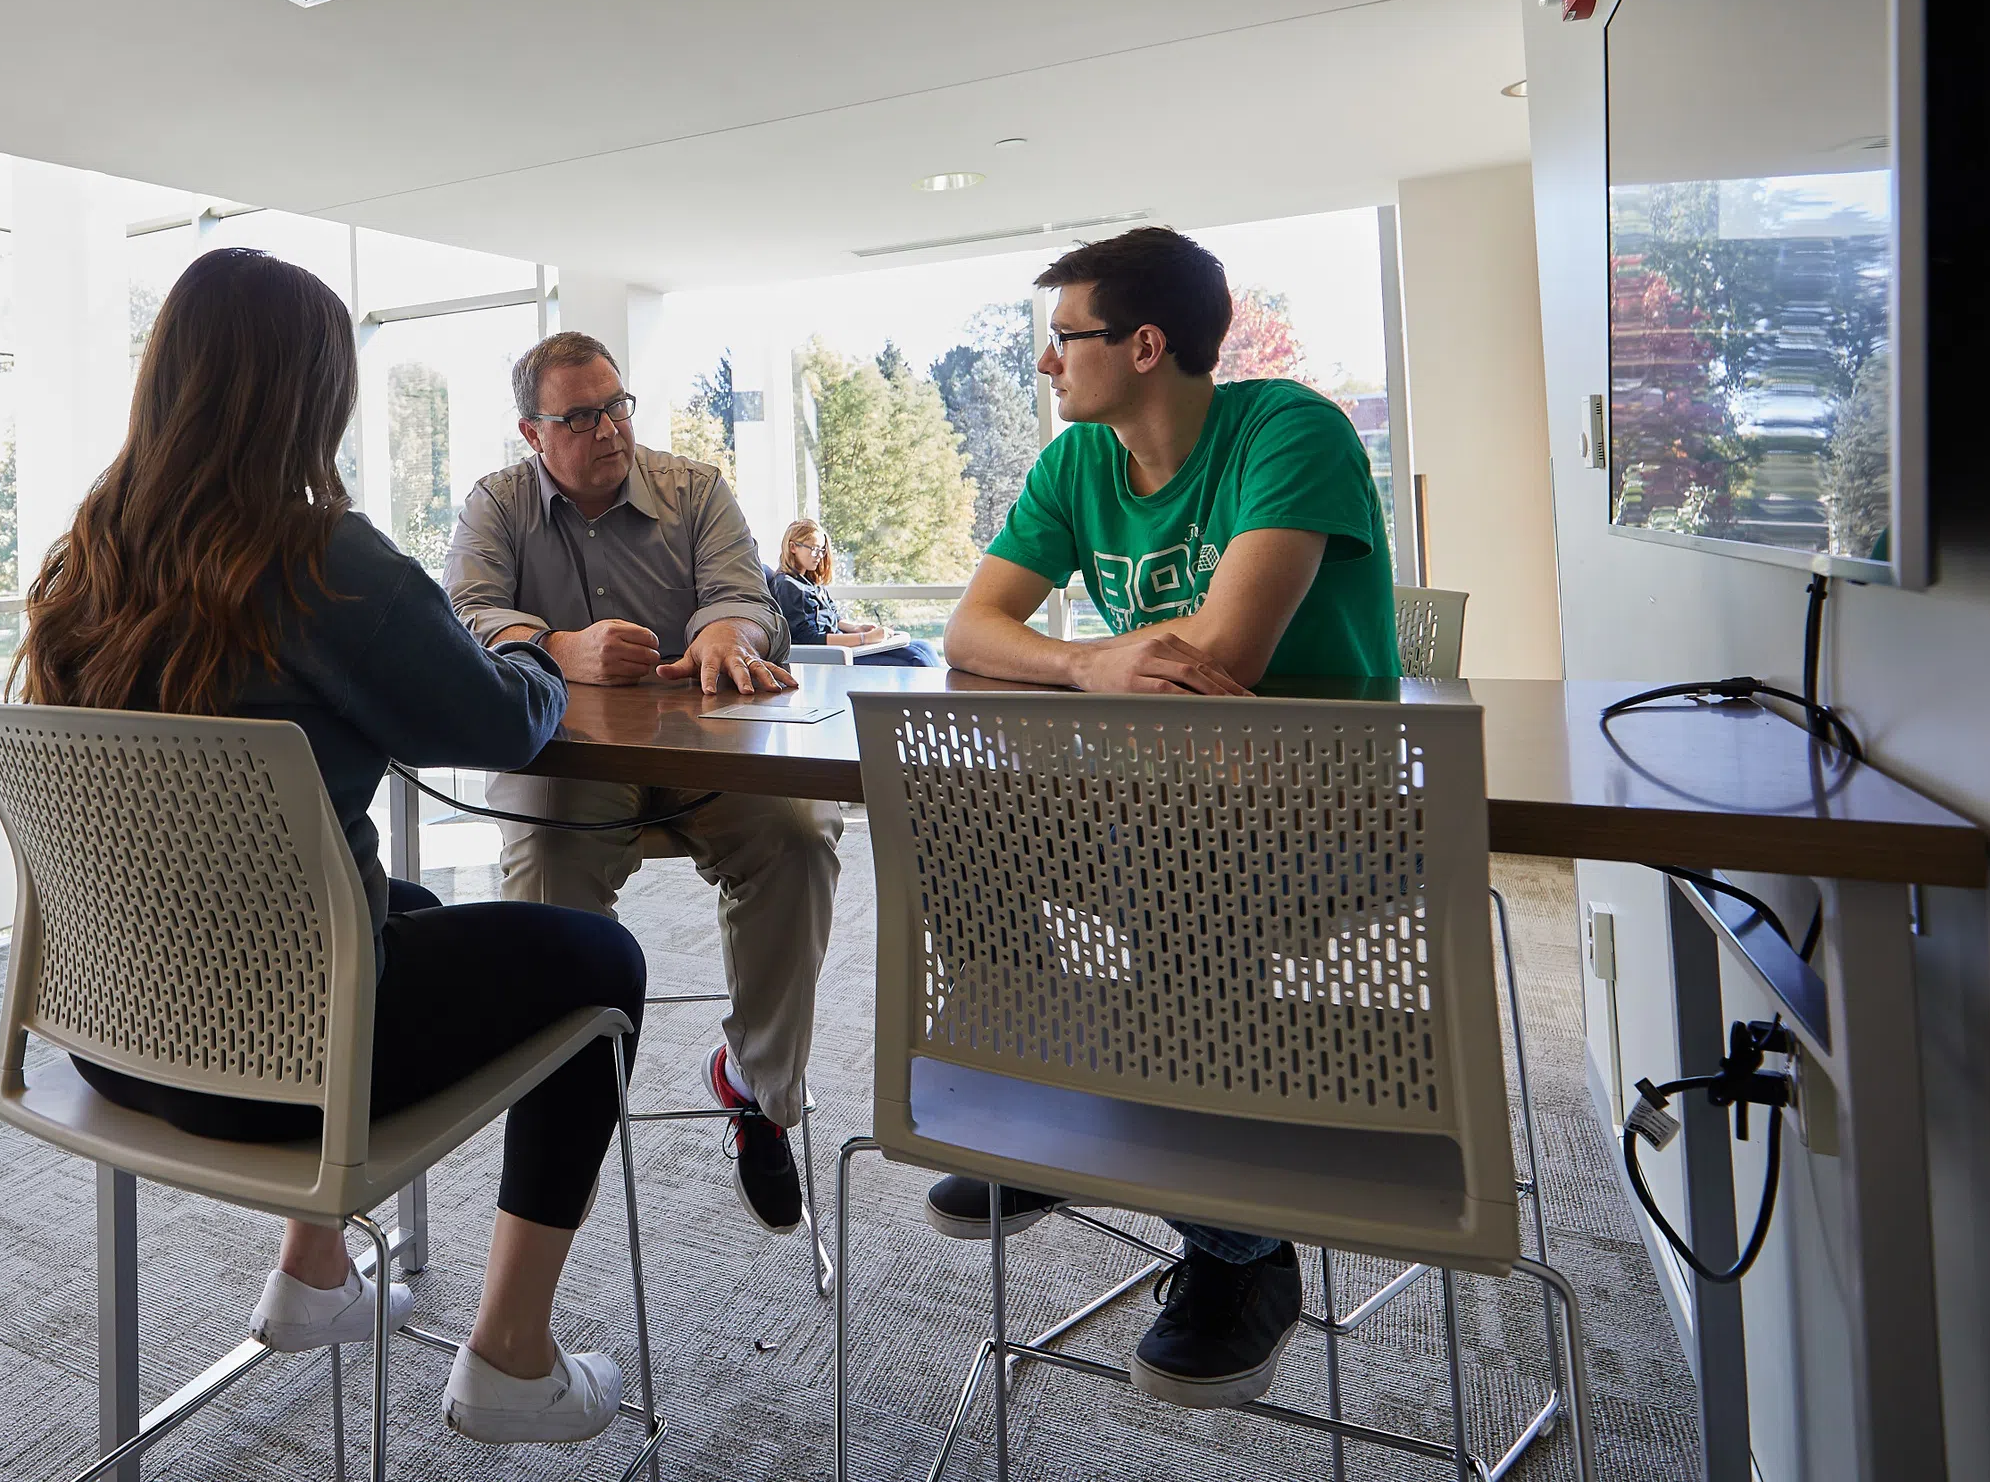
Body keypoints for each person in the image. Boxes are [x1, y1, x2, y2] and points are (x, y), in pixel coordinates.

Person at [17, 250, 649, 1448]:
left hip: (116, 1037)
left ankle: (312, 1274)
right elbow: (498, 718)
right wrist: (543, 653)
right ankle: (512, 1356)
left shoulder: (87, 557)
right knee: (602, 958)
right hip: (289, 1059)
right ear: (310, 393)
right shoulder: (320, 558)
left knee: (391, 894)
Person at [933, 226, 1401, 1412]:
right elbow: (971, 629)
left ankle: (1244, 1252)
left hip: (1327, 812)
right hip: (1149, 803)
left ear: (1145, 345)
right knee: (954, 810)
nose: (1046, 364)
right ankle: (1042, 1115)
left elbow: (1218, 663)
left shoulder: (1289, 430)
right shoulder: (1075, 464)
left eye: (1064, 337)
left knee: (1171, 859)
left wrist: (1093, 666)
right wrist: (1089, 667)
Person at [443, 331, 840, 1235]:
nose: (608, 429)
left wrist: (724, 636)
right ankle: (561, 1128)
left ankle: (758, 1088)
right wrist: (555, 646)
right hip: (572, 767)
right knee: (544, 867)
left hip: (710, 761)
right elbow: (464, 616)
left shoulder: (695, 487)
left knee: (800, 834)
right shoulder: (496, 505)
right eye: (579, 416)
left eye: (616, 406)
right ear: (531, 432)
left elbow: (750, 596)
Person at [768, 518, 940, 667]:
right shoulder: (787, 586)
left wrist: (857, 628)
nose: (819, 556)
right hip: (833, 656)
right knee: (917, 658)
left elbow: (833, 617)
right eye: (813, 549)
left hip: (843, 646)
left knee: (924, 647)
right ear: (793, 547)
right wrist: (865, 638)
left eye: (821, 550)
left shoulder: (809, 583)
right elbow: (809, 639)